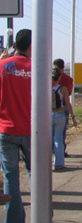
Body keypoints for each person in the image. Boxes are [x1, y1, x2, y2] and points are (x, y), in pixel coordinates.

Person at [0, 29, 32, 222]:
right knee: (37, 174)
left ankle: (14, 219)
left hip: (6, 129)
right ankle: (42, 213)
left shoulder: (2, 66)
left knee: (10, 177)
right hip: (32, 131)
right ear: (31, 45)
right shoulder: (37, 67)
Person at [51, 68, 77, 170]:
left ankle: (47, 161)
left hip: (49, 114)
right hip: (60, 114)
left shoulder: (47, 88)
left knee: (49, 140)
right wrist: (73, 117)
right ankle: (59, 162)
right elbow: (68, 104)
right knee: (59, 139)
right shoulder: (63, 89)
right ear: (60, 77)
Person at [53, 58, 74, 157]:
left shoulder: (50, 79)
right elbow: (69, 93)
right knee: (61, 133)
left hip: (51, 109)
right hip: (64, 106)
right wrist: (73, 117)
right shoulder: (69, 79)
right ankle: (61, 153)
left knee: (50, 133)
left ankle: (51, 152)